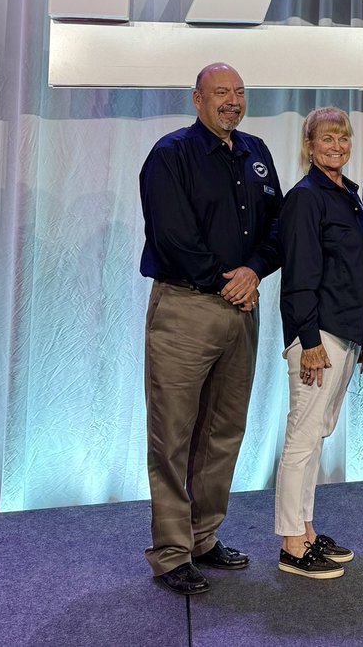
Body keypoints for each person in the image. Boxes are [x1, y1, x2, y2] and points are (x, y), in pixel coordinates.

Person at [138, 63, 282, 595]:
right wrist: (228, 281)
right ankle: (171, 553)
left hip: (243, 309)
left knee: (224, 431)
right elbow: (173, 235)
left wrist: (254, 272)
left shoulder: (257, 153)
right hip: (186, 308)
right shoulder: (171, 154)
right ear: (197, 99)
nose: (232, 100)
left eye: (240, 92)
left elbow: (277, 227)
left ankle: (203, 538)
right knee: (173, 435)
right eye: (221, 92)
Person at [274, 108, 363, 580]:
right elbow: (299, 276)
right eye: (327, 138)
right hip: (318, 337)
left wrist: (362, 339)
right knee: (301, 439)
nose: (337, 145)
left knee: (315, 438)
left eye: (343, 137)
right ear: (310, 145)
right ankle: (292, 545)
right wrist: (308, 340)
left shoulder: (347, 195)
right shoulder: (305, 198)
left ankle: (307, 531)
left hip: (344, 334)